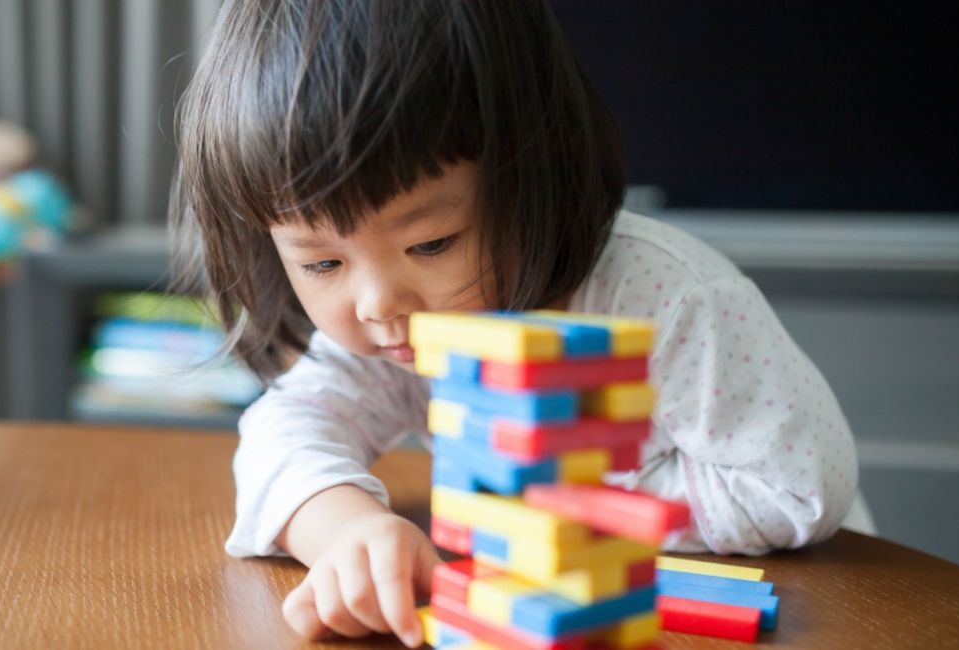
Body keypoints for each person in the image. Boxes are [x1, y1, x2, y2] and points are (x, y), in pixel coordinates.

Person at [169, 1, 859, 646]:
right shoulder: (396, 338)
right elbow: (283, 432)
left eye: (431, 244)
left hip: (817, 598)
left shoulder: (663, 296)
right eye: (321, 263)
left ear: (533, 175)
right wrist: (349, 529)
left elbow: (798, 488)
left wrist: (545, 507)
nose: (379, 303)